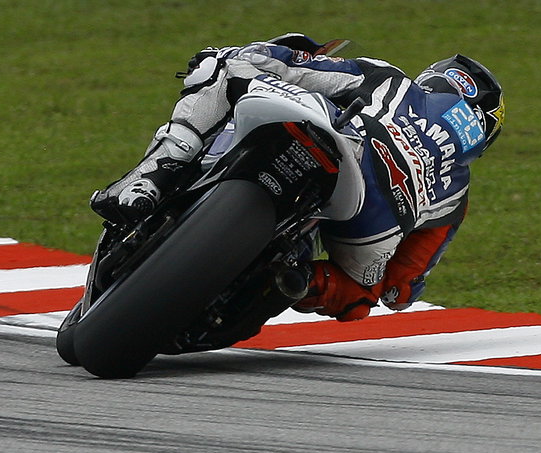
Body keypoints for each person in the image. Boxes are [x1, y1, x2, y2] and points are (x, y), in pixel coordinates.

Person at [91, 34, 503, 323]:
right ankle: (297, 280)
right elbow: (400, 290)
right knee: (360, 298)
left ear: (432, 79)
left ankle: (153, 176)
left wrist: (244, 55)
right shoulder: (457, 192)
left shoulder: (390, 80)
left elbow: (294, 68)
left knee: (225, 66)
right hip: (373, 227)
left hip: (352, 148)